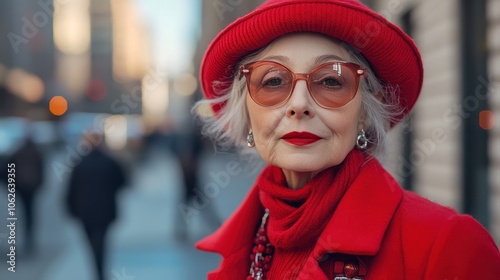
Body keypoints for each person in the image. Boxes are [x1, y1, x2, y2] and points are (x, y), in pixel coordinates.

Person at [193, 0, 500, 279]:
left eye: (330, 80)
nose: (299, 104)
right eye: (273, 80)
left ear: (365, 112)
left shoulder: (446, 244)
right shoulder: (245, 247)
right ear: (245, 111)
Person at [66, 132, 127, 280]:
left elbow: (71, 189)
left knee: (92, 242)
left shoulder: (80, 163)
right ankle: (99, 271)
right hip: (105, 210)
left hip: (85, 210)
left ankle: (98, 270)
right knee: (101, 241)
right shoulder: (109, 162)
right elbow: (122, 182)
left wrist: (71, 208)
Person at [7, 135, 44, 255]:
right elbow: (41, 169)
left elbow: (10, 169)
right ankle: (29, 235)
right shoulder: (36, 153)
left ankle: (27, 235)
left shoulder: (18, 153)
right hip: (31, 186)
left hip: (21, 185)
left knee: (25, 210)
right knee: (30, 211)